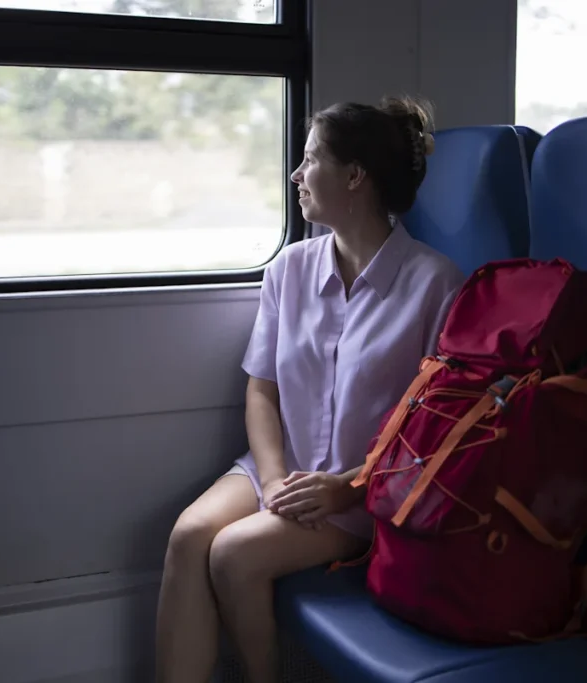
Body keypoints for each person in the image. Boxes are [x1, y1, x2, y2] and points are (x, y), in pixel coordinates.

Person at [154, 95, 467, 683]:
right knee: (190, 534)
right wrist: (272, 480)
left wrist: (349, 488)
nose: (296, 175)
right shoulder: (289, 269)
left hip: (365, 491)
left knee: (233, 552)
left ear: (354, 177)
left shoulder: (436, 284)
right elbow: (263, 389)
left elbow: (436, 432)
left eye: (309, 160)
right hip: (285, 464)